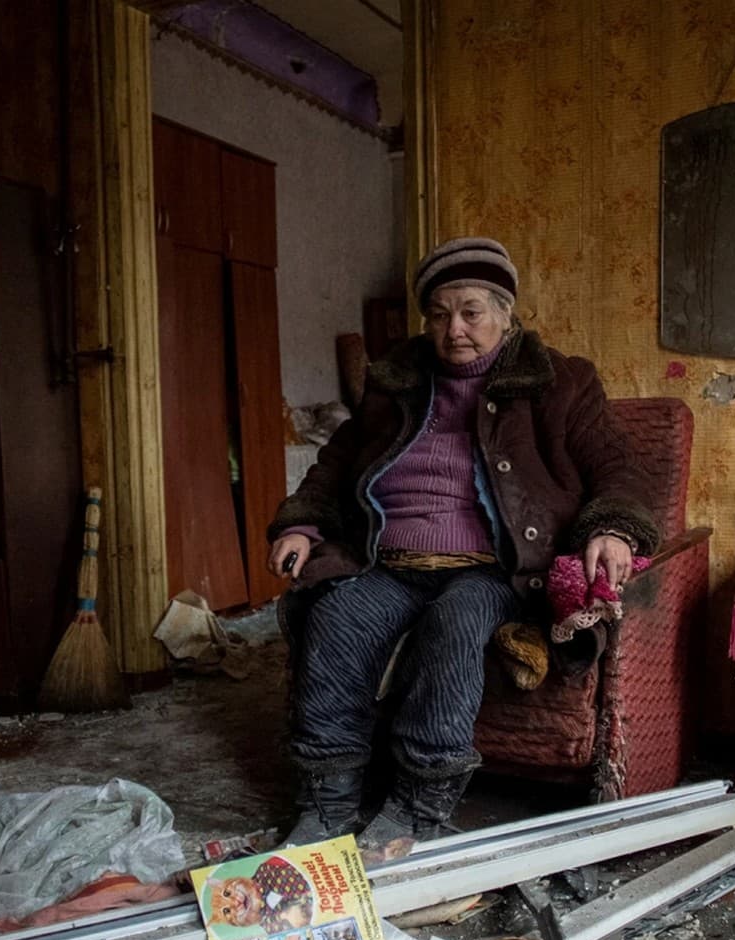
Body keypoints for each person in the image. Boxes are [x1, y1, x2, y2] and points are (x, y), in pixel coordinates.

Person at [268, 237, 658, 851]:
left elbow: (619, 468)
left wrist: (611, 528)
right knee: (337, 617)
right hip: (387, 560)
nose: (455, 329)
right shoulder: (395, 380)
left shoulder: (561, 382)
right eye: (440, 314)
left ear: (505, 314)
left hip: (492, 571)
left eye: (472, 312)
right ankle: (327, 802)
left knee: (453, 625)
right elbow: (337, 461)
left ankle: (420, 804)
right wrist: (301, 524)